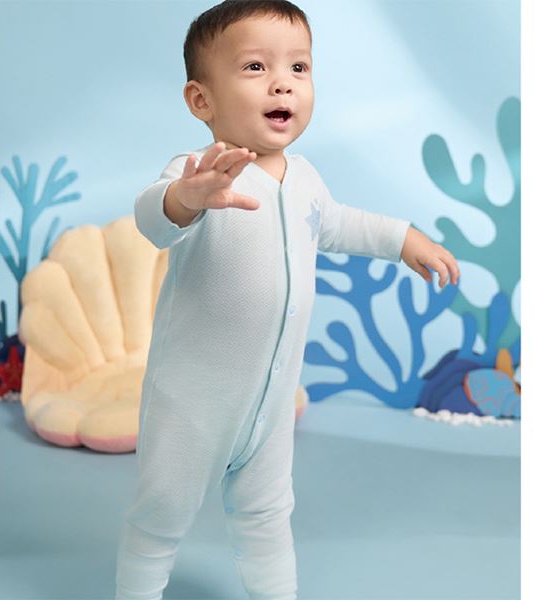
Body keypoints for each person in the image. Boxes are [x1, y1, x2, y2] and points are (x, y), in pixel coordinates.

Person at [115, 1, 460, 598]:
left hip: (270, 406)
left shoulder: (304, 178)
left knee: (268, 516)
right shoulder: (200, 173)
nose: (282, 83)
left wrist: (402, 238)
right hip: (192, 403)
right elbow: (154, 218)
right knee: (160, 514)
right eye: (255, 67)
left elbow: (341, 224)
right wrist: (188, 198)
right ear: (201, 100)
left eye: (298, 67)